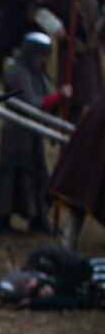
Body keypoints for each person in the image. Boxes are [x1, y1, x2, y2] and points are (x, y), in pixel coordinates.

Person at [0, 32, 70, 235]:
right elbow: (32, 105)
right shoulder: (17, 74)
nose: (44, 60)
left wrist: (59, 100)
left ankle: (38, 218)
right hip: (17, 136)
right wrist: (58, 97)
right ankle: (2, 222)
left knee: (37, 178)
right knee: (12, 179)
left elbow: (45, 101)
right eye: (41, 55)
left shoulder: (38, 75)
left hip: (32, 136)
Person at [32, 0, 105, 122]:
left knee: (93, 97)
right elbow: (35, 8)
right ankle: (69, 134)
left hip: (91, 51)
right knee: (72, 99)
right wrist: (55, 25)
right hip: (72, 52)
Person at [46, 93, 105, 251]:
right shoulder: (100, 108)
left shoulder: (98, 105)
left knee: (81, 201)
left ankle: (67, 246)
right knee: (80, 202)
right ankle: (67, 248)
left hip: (91, 165)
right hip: (91, 164)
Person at [0, 244, 104, 309]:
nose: (31, 285)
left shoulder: (43, 256)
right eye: (28, 290)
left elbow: (86, 268)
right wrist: (32, 303)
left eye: (26, 281)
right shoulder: (38, 293)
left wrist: (55, 287)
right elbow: (69, 302)